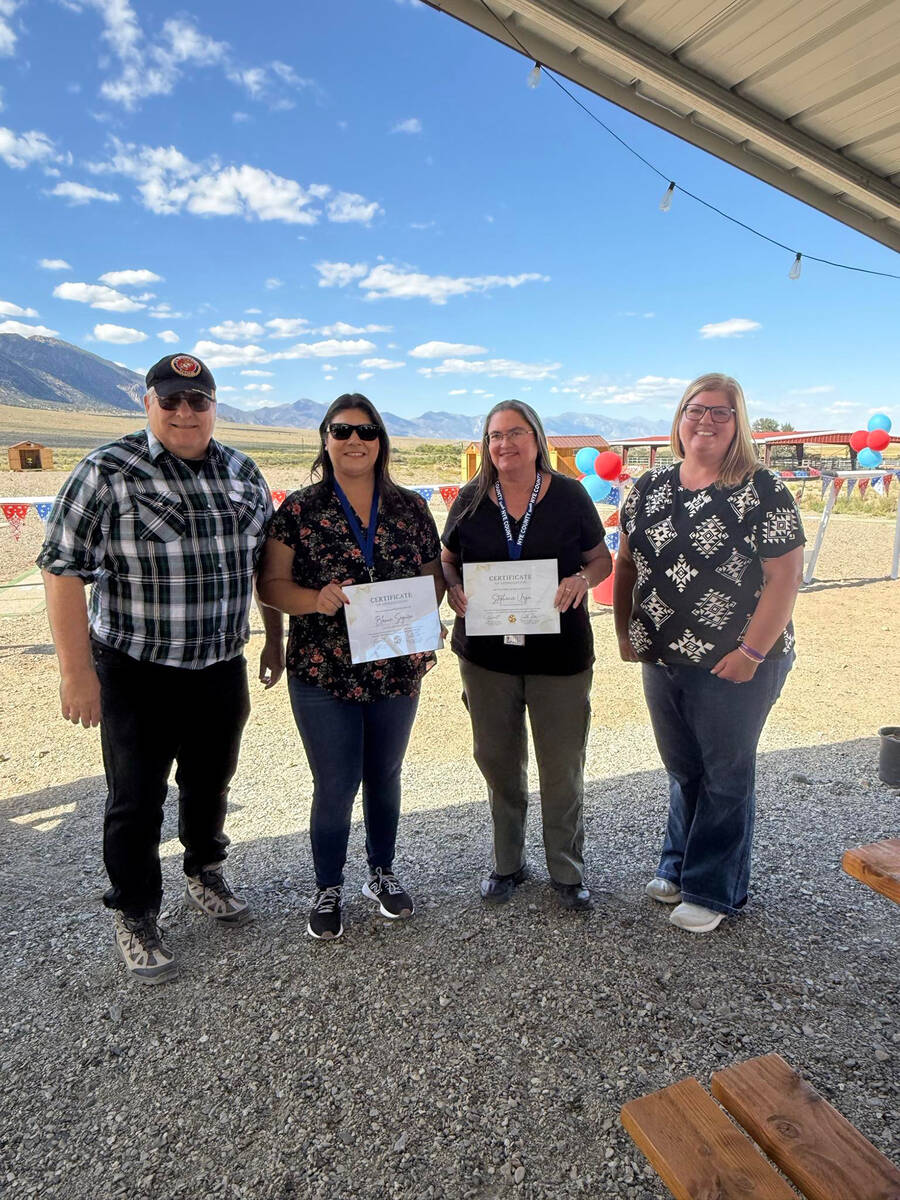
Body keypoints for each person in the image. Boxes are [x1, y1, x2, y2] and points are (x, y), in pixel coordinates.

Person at [37, 353, 284, 984]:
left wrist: (274, 639)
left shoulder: (241, 471)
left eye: (197, 400)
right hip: (135, 670)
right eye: (170, 399)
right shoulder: (107, 470)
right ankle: (136, 911)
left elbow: (264, 568)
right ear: (147, 403)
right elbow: (61, 569)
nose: (184, 412)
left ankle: (204, 869)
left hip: (219, 665)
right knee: (136, 800)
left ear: (213, 406)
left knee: (211, 781)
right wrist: (75, 673)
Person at [613, 373, 805, 933]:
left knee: (725, 773)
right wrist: (627, 632)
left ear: (738, 424)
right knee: (683, 768)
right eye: (697, 410)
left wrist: (751, 650)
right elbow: (626, 564)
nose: (707, 421)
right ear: (679, 418)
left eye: (722, 413)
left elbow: (785, 577)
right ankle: (678, 864)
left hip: (738, 661)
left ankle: (713, 889)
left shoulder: (763, 489)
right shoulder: (648, 488)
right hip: (664, 657)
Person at [257, 393, 443, 941]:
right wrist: (315, 600)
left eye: (365, 431)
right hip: (323, 669)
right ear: (325, 440)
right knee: (335, 783)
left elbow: (434, 577)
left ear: (380, 440)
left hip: (395, 667)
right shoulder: (299, 509)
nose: (354, 440)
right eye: (341, 431)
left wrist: (415, 606)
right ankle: (328, 885)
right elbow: (271, 585)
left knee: (384, 776)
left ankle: (382, 872)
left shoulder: (411, 507)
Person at [440, 401, 612, 910]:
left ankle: (567, 869)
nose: (505, 444)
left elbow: (599, 559)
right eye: (495, 435)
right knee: (497, 762)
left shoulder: (569, 495)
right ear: (486, 444)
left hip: (560, 656)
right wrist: (452, 588)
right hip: (486, 658)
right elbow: (448, 561)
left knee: (562, 767)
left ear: (537, 439)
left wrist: (582, 580)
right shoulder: (471, 498)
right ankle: (507, 863)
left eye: (516, 433)